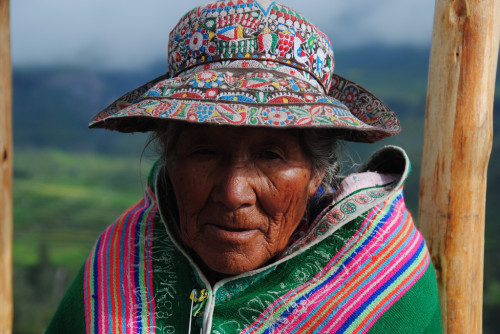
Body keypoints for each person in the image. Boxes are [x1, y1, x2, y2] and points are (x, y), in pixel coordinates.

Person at [46, 0, 442, 333]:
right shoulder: (122, 259)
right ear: (169, 161)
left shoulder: (385, 282)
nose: (233, 194)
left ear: (317, 172)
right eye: (204, 152)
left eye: (271, 156)